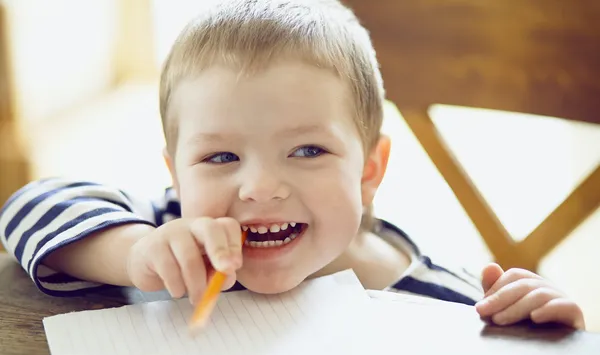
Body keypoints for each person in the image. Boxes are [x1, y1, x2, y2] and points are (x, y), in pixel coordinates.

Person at [0, 0, 584, 330]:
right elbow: (28, 208)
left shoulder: (435, 303)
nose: (259, 188)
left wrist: (550, 339)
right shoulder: (170, 231)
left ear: (369, 171)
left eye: (307, 151)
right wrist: (133, 255)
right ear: (176, 172)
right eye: (220, 156)